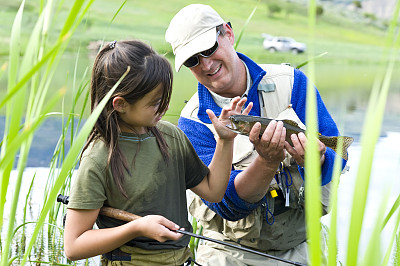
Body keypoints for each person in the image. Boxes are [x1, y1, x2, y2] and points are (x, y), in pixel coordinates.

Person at [165, 4, 347, 265]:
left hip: (302, 247)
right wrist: (267, 161)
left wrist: (317, 160)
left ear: (228, 34)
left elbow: (337, 156)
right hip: (227, 253)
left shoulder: (293, 82)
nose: (205, 64)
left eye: (208, 49)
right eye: (193, 60)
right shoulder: (192, 122)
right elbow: (226, 204)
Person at [64, 40, 251, 265]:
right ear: (120, 104)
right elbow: (74, 246)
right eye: (155, 103)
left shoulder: (170, 136)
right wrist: (136, 228)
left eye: (164, 100)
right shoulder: (98, 158)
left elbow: (214, 192)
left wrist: (225, 140)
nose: (164, 109)